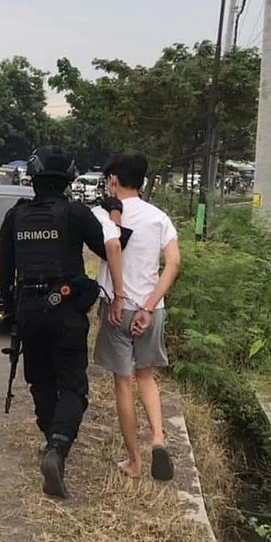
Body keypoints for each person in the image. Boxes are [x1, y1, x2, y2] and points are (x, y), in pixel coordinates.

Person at [0, 145, 125, 499]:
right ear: (68, 180)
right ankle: (58, 446)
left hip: (29, 310)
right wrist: (114, 215)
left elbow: (5, 269)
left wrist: (11, 312)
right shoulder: (75, 213)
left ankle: (51, 439)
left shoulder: (15, 216)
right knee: (72, 386)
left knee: (40, 379)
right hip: (67, 309)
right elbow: (111, 247)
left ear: (33, 178)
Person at [93, 154, 181, 481]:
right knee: (146, 377)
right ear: (142, 182)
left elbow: (111, 247)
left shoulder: (104, 213)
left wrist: (120, 298)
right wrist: (149, 306)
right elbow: (173, 263)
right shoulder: (160, 218)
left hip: (119, 308)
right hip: (152, 308)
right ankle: (158, 437)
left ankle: (134, 461)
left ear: (113, 181)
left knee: (122, 383)